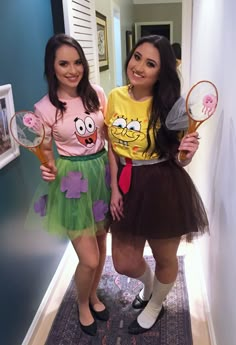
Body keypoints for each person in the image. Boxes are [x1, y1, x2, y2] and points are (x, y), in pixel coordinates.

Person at [105, 35, 208, 334]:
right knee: (124, 262)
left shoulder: (171, 106)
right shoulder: (115, 97)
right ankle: (149, 286)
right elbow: (113, 146)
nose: (138, 67)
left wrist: (187, 152)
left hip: (162, 185)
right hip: (125, 182)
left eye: (150, 64)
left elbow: (180, 158)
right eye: (137, 57)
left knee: (165, 257)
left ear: (161, 72)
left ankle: (155, 304)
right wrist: (114, 187)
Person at [34, 33, 110, 336]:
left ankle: (93, 294)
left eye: (78, 62)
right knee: (88, 258)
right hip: (72, 182)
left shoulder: (97, 93)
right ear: (52, 68)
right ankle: (82, 303)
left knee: (102, 242)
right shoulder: (44, 108)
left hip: (101, 174)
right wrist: (46, 170)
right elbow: (44, 152)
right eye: (64, 63)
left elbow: (107, 136)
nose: (72, 69)